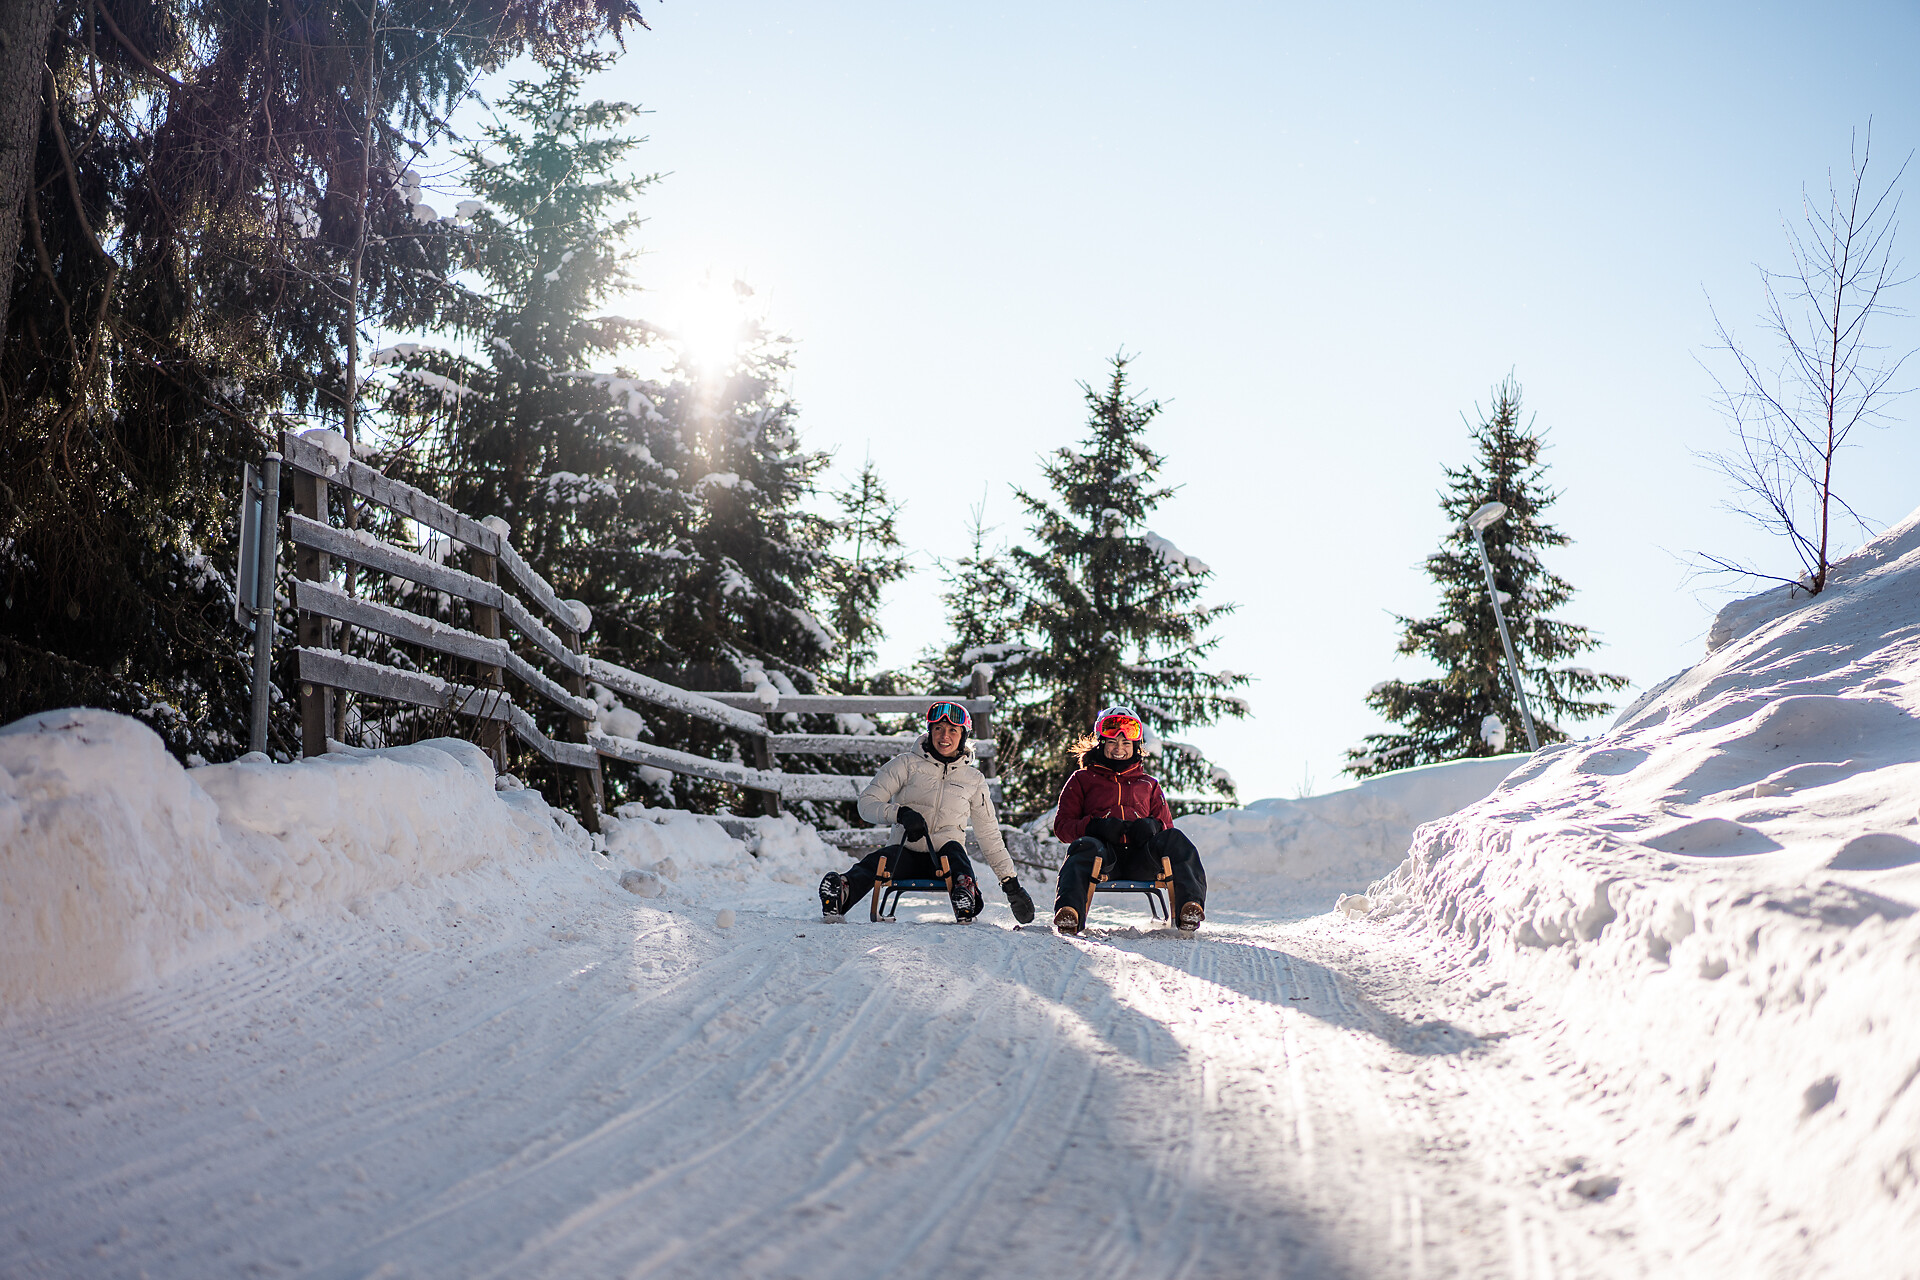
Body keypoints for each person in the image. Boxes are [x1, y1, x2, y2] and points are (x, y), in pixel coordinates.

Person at [819, 702, 1036, 924]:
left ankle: (965, 895)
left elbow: (988, 834)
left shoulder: (974, 780)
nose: (944, 736)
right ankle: (842, 891)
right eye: (938, 728)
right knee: (883, 858)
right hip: (905, 854)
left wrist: (1011, 884)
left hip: (945, 862)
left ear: (963, 736)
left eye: (953, 730)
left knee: (955, 851)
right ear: (930, 730)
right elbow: (866, 804)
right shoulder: (906, 764)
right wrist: (900, 814)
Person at [1050, 705, 1207, 935]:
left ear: (1136, 745)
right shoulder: (1082, 780)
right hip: (1103, 857)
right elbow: (1062, 827)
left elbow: (1167, 827)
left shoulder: (1149, 784)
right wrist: (1094, 826)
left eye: (1126, 743)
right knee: (1084, 846)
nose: (1119, 749)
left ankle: (1189, 908)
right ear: (1101, 743)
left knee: (1175, 839)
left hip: (1142, 859)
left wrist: (1153, 826)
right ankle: (1069, 912)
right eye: (1112, 742)